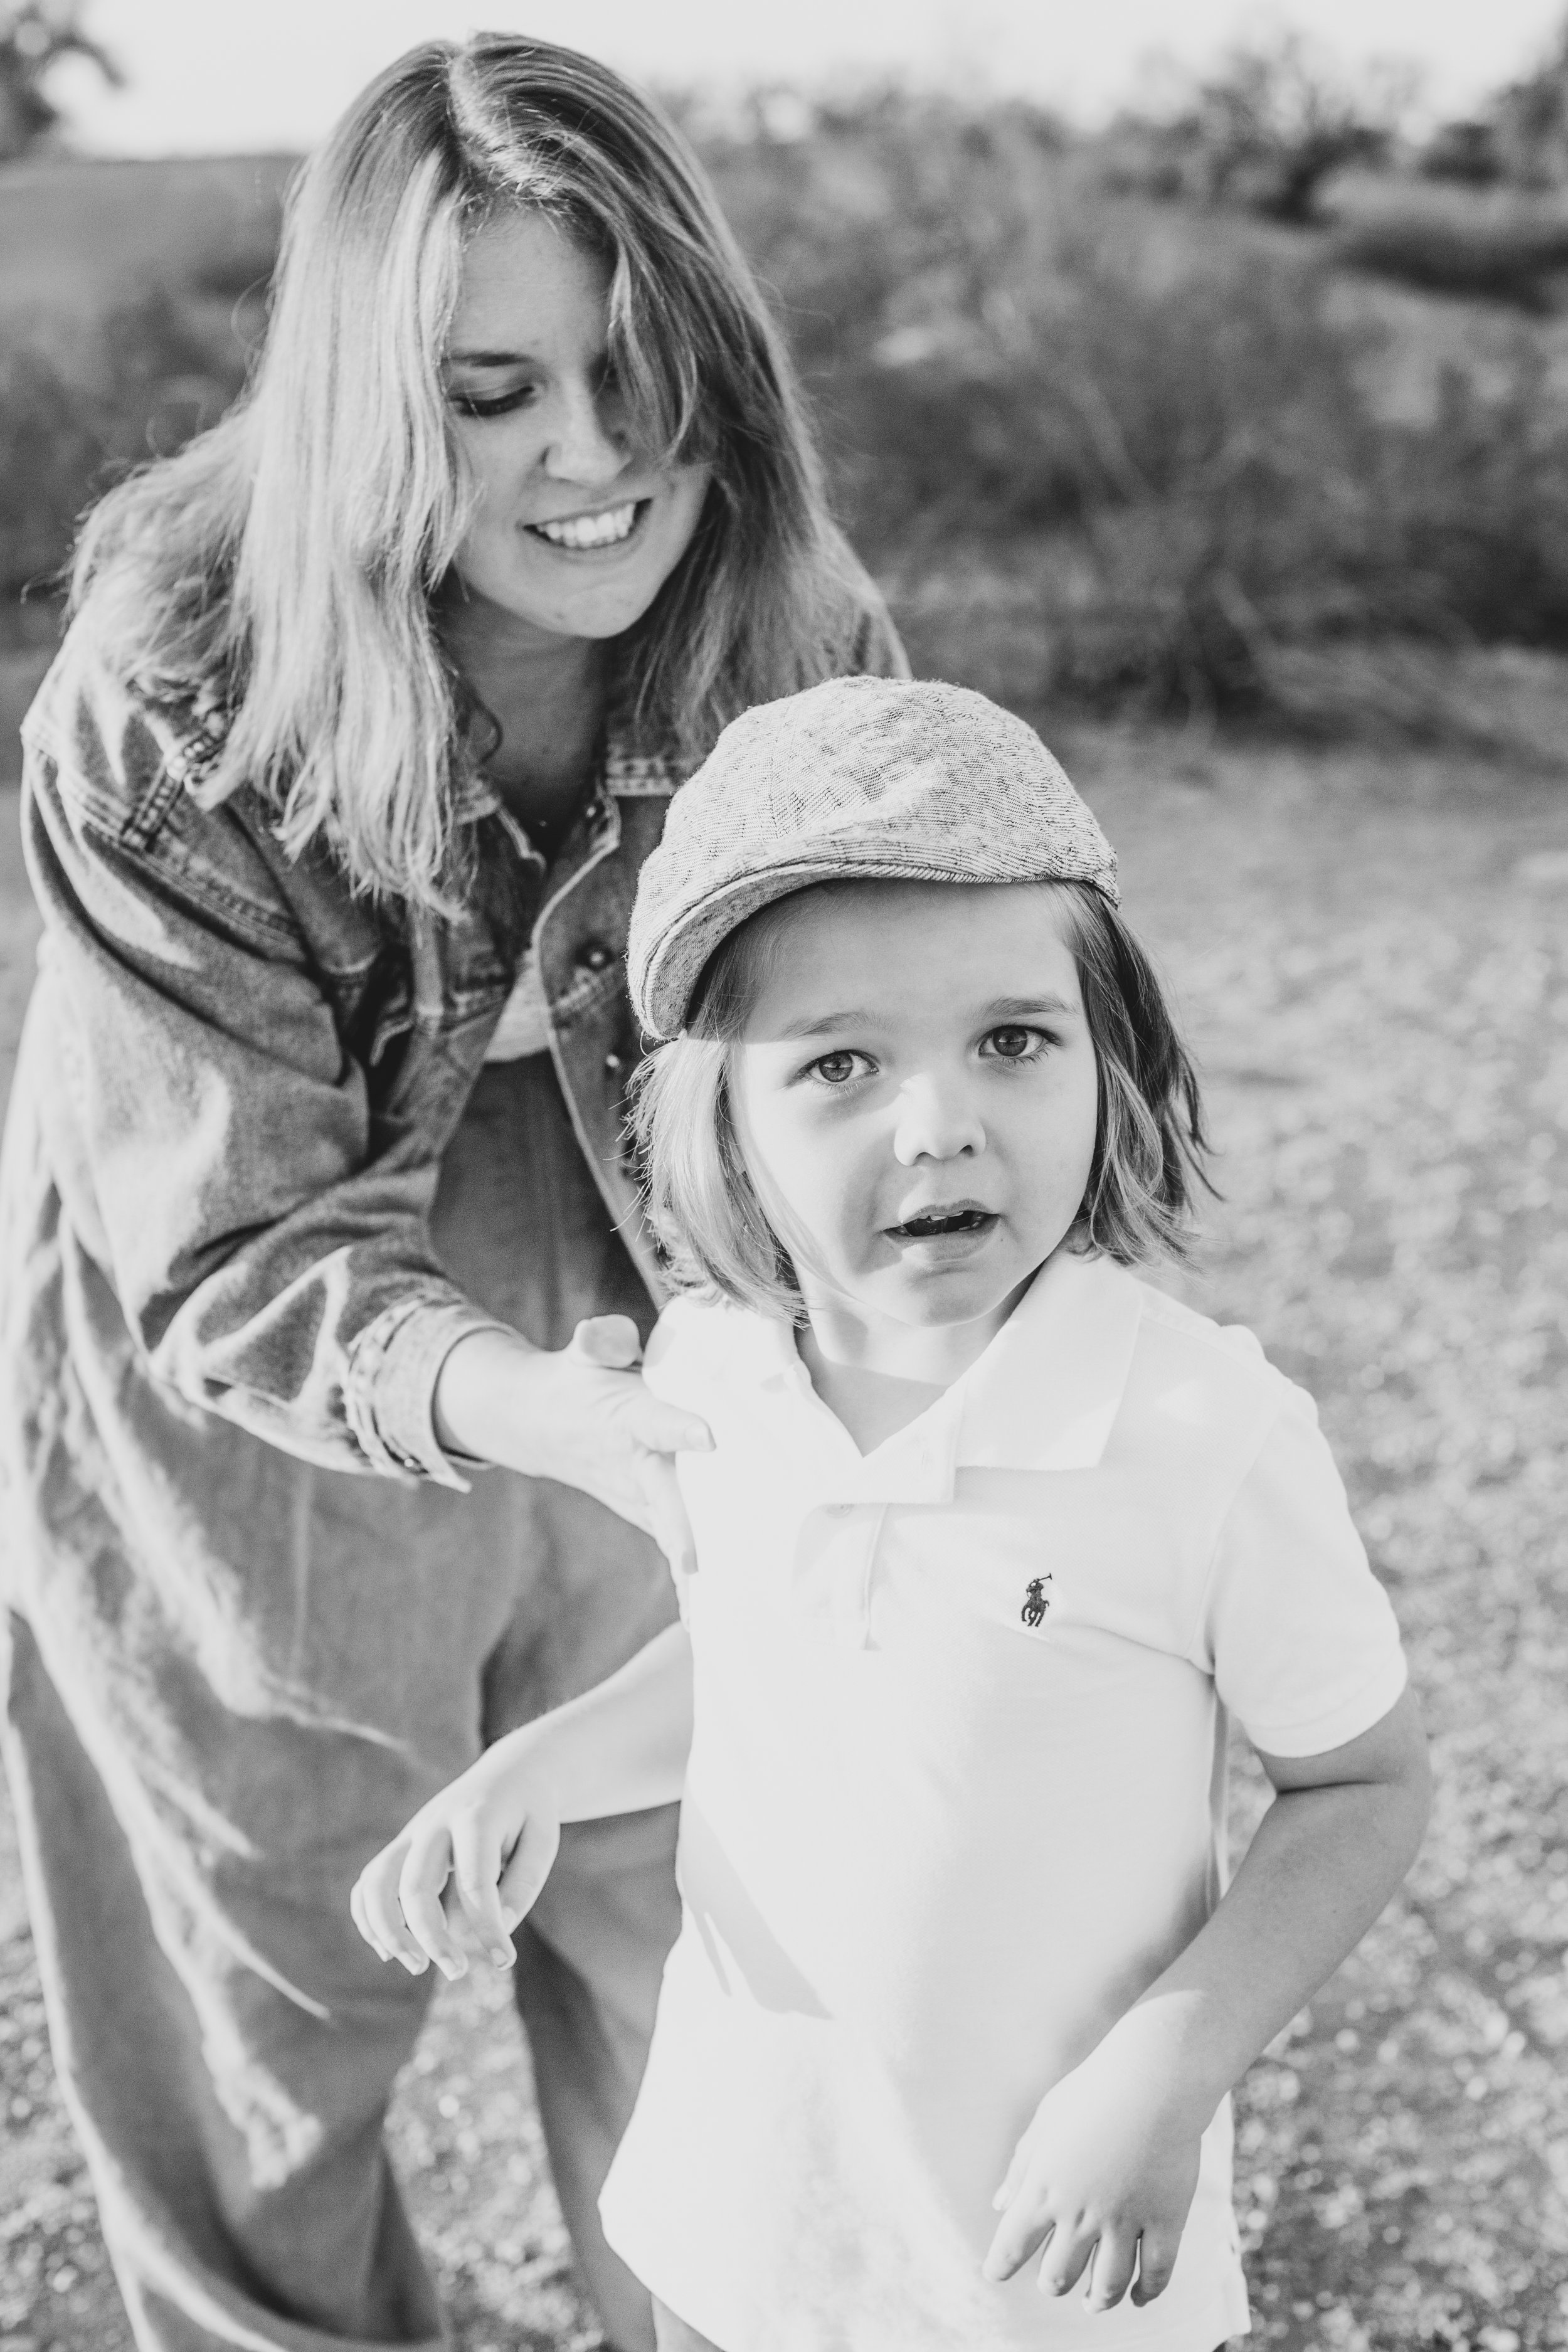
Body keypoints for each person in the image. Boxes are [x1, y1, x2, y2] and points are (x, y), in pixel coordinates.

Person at [0, 36, 906, 2352]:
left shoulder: (802, 640)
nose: (587, 459)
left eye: (632, 371)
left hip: (652, 1303)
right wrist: (533, 1404)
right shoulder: (173, 692)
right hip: (247, 1345)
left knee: (694, 1918)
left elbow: (898, 1061)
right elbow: (220, 1240)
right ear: (366, 398)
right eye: (489, 391)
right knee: (273, 1985)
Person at [354, 677, 1433, 2352]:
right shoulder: (712, 1377)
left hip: (1042, 2252)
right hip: (751, 2214)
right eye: (839, 1063)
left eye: (1012, 1041)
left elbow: (1356, 1784)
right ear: (721, 1122)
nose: (939, 1121)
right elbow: (764, 1672)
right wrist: (541, 1766)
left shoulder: (1194, 1432)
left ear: (1110, 1060)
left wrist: (1165, 2068)